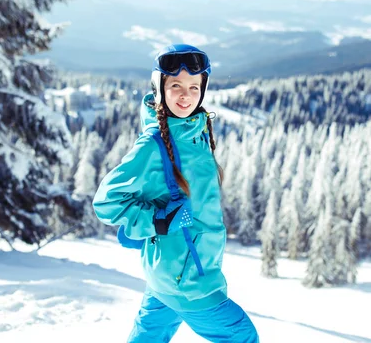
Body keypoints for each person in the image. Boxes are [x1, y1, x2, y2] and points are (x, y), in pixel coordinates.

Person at [92, 44, 259, 342]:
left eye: (194, 86)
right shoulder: (153, 145)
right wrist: (156, 221)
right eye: (176, 86)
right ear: (160, 89)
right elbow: (106, 201)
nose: (186, 95)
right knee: (242, 336)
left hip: (170, 272)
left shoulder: (194, 130)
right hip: (189, 282)